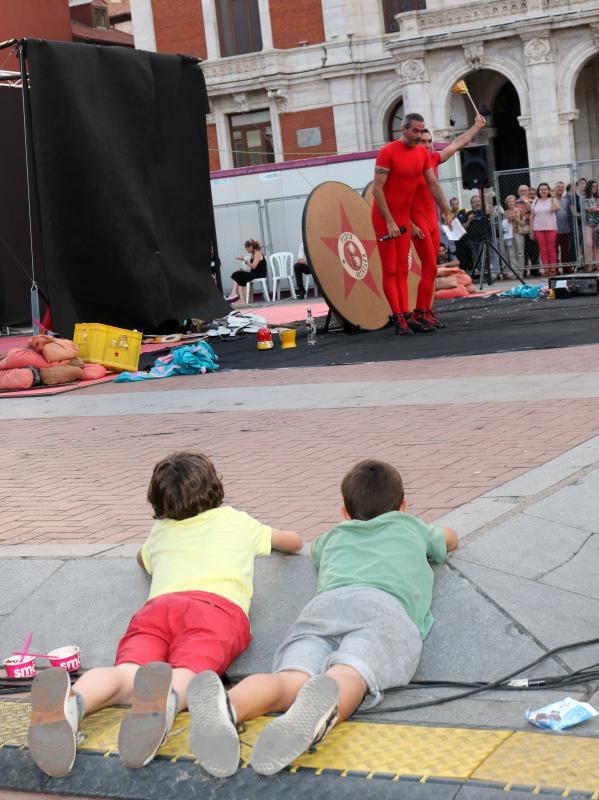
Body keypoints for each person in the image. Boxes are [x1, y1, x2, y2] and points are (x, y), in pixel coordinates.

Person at [27, 451, 303, 778]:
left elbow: (142, 561)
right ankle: (167, 698)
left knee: (126, 673)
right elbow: (293, 542)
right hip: (214, 610)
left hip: (158, 609)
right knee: (190, 670)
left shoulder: (159, 533)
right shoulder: (237, 521)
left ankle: (74, 702)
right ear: (216, 488)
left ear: (158, 503)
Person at [186, 459, 458, 778]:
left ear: (344, 512)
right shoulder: (411, 526)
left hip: (325, 608)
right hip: (383, 609)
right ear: (403, 507)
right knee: (351, 672)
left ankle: (228, 707)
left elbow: (317, 554)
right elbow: (448, 540)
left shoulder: (333, 536)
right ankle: (317, 714)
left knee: (292, 676)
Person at [371, 113, 452, 336]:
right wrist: (389, 221)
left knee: (402, 270)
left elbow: (433, 184)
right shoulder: (388, 152)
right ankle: (399, 318)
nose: (418, 135)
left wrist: (445, 208)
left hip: (403, 218)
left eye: (421, 130)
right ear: (403, 130)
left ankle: (408, 315)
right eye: (415, 131)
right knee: (390, 269)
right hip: (384, 217)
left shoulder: (421, 154)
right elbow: (377, 189)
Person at [410, 114, 486, 329]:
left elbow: (457, 144)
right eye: (423, 141)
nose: (427, 145)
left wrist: (476, 126)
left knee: (430, 270)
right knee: (427, 269)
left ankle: (426, 311)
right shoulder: (411, 164)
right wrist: (411, 225)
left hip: (432, 221)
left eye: (429, 142)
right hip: (418, 223)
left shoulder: (433, 160)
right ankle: (419, 312)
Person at [226, 239, 267, 304]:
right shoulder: (253, 254)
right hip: (254, 273)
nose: (246, 250)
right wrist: (243, 271)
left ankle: (234, 293)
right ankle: (241, 299)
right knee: (238, 275)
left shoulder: (257, 254)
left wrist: (244, 260)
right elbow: (253, 269)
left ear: (251, 247)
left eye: (247, 248)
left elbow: (254, 266)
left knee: (237, 274)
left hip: (259, 274)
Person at [530, 182, 559, 276]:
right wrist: (531, 231)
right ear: (539, 191)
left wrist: (554, 196)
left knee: (551, 248)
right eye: (541, 189)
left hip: (551, 227)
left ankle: (553, 269)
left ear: (548, 190)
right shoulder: (535, 201)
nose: (543, 191)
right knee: (543, 249)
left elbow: (556, 208)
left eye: (545, 189)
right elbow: (532, 216)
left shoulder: (552, 200)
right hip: (538, 228)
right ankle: (546, 269)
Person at [554, 181, 572, 271]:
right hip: (555, 230)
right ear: (555, 188)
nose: (560, 188)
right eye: (558, 186)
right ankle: (556, 269)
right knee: (555, 250)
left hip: (566, 229)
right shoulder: (551, 199)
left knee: (565, 250)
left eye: (562, 187)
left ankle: (566, 268)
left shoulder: (567, 200)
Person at [582, 179, 599, 267]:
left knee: (597, 244)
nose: (595, 188)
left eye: (596, 186)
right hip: (588, 222)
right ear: (589, 187)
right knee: (589, 243)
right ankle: (590, 264)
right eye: (593, 186)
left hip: (598, 223)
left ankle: (597, 263)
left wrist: (594, 208)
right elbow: (588, 209)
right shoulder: (584, 198)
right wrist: (596, 208)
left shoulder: (598, 198)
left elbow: (591, 209)